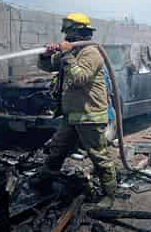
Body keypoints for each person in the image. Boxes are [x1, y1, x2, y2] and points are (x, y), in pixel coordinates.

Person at [30, 12, 116, 208]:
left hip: (90, 115)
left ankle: (109, 194)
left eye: (68, 31)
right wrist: (46, 54)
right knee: (57, 150)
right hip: (72, 116)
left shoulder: (91, 52)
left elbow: (79, 78)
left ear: (77, 31)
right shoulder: (72, 52)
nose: (65, 35)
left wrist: (67, 54)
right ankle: (43, 182)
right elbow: (49, 67)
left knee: (98, 156)